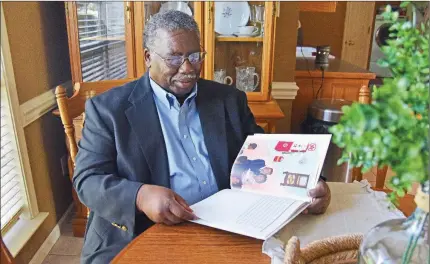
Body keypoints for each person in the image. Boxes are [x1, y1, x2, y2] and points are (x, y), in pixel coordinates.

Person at [73, 10, 331, 264]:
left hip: (226, 227)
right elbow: (87, 180)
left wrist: (308, 185)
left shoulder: (229, 100)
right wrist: (140, 195)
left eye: (195, 56)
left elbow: (266, 159)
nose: (187, 68)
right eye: (174, 57)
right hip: (142, 231)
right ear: (148, 57)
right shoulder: (108, 109)